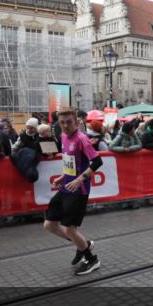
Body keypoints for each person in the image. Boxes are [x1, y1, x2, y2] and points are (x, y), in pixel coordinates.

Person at [44, 110, 102, 275]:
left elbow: (97, 161)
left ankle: (92, 260)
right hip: (66, 186)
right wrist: (64, 176)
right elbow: (73, 163)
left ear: (76, 122)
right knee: (49, 225)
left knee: (70, 229)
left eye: (69, 122)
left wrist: (78, 180)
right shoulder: (62, 136)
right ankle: (83, 244)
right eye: (62, 122)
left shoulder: (82, 138)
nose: (65, 125)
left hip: (79, 189)